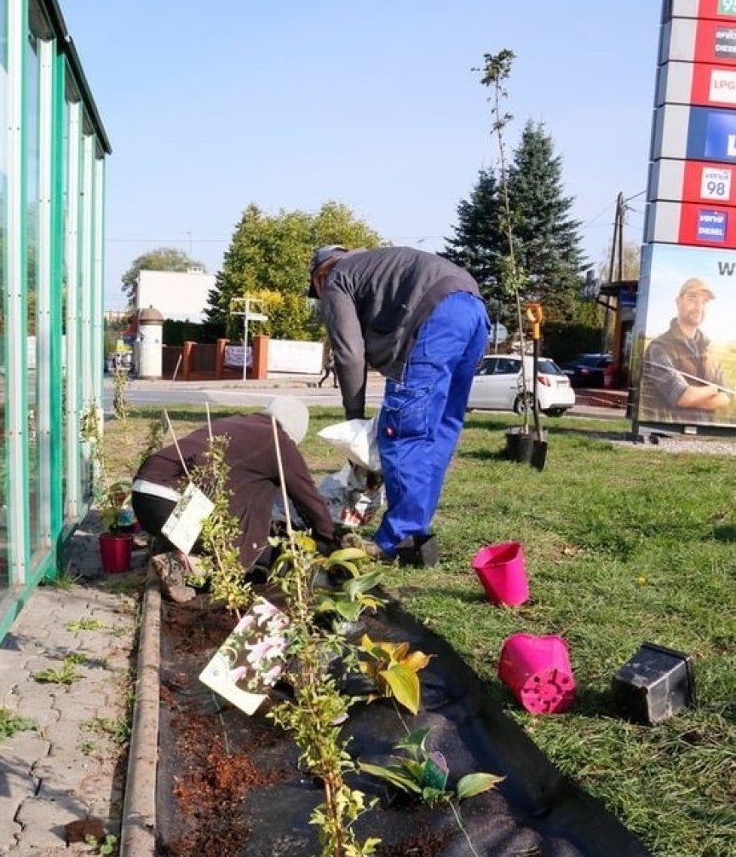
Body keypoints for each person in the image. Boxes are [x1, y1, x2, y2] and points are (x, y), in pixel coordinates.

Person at [308, 244, 489, 566]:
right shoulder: (377, 266)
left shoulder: (337, 278)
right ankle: (415, 535)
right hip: (473, 309)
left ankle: (396, 540)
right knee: (438, 429)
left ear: (319, 278)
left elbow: (349, 354)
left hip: (434, 318)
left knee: (404, 430)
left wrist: (356, 422)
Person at [131, 398, 337, 598]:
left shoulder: (236, 424)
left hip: (144, 496)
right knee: (234, 553)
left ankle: (175, 551)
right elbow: (307, 496)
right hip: (173, 502)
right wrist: (329, 539)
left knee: (233, 513)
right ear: (296, 430)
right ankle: (186, 567)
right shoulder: (278, 440)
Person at [640, 277, 732, 423]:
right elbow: (682, 396)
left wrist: (698, 398)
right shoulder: (659, 348)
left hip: (705, 437)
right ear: (678, 301)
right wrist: (713, 389)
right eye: (692, 298)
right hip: (665, 436)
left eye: (704, 302)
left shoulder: (709, 350)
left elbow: (727, 396)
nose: (699, 306)